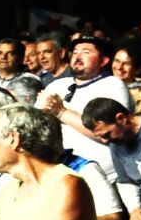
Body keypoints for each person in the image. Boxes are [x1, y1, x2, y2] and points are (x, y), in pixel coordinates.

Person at [37, 37, 133, 180]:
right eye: (75, 52)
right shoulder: (57, 85)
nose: (78, 56)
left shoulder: (113, 85)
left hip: (105, 176)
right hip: (61, 174)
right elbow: (34, 125)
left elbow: (109, 132)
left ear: (103, 61)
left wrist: (61, 112)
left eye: (86, 52)